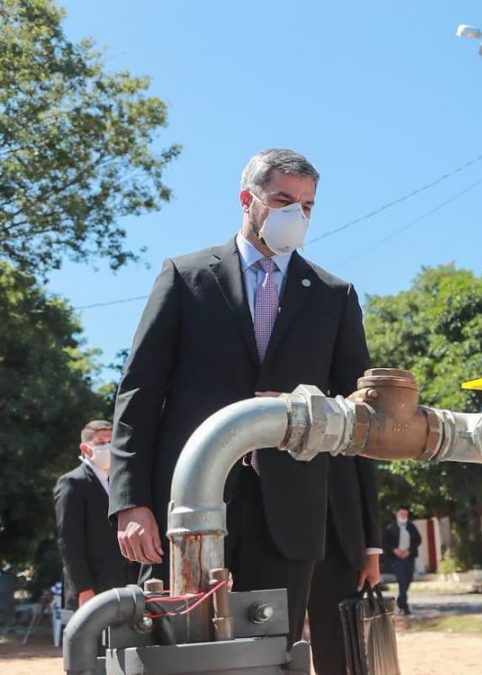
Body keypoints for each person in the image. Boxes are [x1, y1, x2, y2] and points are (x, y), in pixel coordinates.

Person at [109, 148, 379, 646]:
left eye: (307, 205)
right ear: (246, 199)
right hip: (188, 508)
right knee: (182, 651)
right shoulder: (186, 277)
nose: (295, 215)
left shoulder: (332, 296)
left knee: (271, 652)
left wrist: (368, 538)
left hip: (289, 511)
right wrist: (131, 502)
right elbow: (139, 394)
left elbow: (357, 417)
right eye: (282, 200)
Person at [307, 455, 382, 675]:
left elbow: (365, 471)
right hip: (271, 526)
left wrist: (372, 551)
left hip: (339, 536)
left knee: (338, 641)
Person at [53, 420, 137, 609]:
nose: (107, 447)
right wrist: (84, 589)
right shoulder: (72, 483)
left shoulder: (122, 481)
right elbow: (69, 542)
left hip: (128, 585)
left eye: (110, 441)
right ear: (85, 448)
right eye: (100, 443)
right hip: (95, 590)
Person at [383, 505, 422, 614]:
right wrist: (394, 550)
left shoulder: (411, 526)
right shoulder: (391, 527)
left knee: (408, 579)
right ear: (397, 514)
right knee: (402, 579)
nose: (404, 516)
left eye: (405, 514)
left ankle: (400, 601)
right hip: (396, 558)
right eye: (401, 514)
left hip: (409, 557)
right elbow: (385, 542)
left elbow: (418, 540)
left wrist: (409, 551)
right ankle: (403, 605)